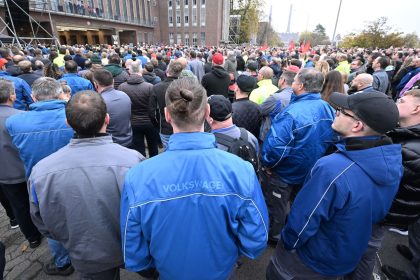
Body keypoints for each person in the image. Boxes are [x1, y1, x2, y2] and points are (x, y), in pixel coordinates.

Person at [121, 78, 268, 279]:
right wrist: (234, 253)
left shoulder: (138, 176)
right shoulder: (241, 170)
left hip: (167, 270)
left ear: (166, 115)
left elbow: (133, 245)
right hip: (221, 268)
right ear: (207, 113)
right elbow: (256, 237)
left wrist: (148, 265)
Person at [266, 91, 402, 279]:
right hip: (347, 253)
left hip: (310, 259)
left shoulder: (333, 168)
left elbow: (304, 221)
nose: (336, 112)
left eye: (342, 111)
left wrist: (287, 244)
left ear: (357, 125)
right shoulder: (391, 159)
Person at [29, 90, 143, 279]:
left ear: (68, 123)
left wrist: (67, 238)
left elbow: (41, 219)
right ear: (107, 119)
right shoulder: (133, 160)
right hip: (128, 245)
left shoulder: (41, 171)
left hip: (86, 253)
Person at [6, 77, 74, 276]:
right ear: (60, 93)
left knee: (50, 221)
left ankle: (63, 262)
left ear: (34, 98)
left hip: (40, 182)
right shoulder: (73, 115)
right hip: (72, 177)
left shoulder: (16, 122)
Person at [260, 68, 335, 243]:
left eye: (294, 81)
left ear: (300, 85)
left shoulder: (291, 114)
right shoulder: (327, 108)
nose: (291, 83)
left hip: (285, 172)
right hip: (309, 169)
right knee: (297, 203)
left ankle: (274, 235)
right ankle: (291, 227)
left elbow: (276, 147)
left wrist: (268, 164)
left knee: (275, 205)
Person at [381, 89, 420, 280]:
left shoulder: (413, 147)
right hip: (408, 207)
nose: (396, 102)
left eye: (402, 100)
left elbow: (385, 176)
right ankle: (414, 253)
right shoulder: (407, 133)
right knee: (416, 235)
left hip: (399, 205)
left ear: (416, 109)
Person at [0, 79, 43, 249]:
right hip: (26, 169)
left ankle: (32, 238)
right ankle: (45, 229)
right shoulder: (22, 117)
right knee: (36, 202)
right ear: (12, 96)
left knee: (18, 206)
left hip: (4, 174)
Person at [118, 60, 159, 157]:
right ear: (141, 71)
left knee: (138, 149)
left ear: (129, 71)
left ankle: (141, 166)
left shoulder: (122, 87)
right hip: (149, 122)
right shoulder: (149, 87)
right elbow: (154, 106)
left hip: (133, 122)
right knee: (153, 147)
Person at [93, 69, 132, 147]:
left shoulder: (98, 102)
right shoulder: (125, 95)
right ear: (113, 81)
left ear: (95, 84)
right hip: (128, 140)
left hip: (110, 144)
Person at [149, 60, 183, 150]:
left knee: (168, 152)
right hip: (183, 126)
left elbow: (151, 112)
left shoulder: (157, 87)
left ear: (167, 72)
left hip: (165, 127)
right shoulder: (186, 86)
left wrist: (157, 125)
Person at [259, 69, 297, 142]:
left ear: (283, 80)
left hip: (270, 137)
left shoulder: (276, 97)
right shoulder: (297, 96)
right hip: (288, 138)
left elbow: (259, 111)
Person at [232, 75, 262, 139]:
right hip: (253, 142)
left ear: (237, 88)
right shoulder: (257, 107)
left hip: (237, 143)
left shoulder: (232, 109)